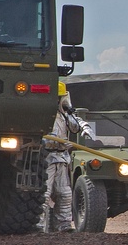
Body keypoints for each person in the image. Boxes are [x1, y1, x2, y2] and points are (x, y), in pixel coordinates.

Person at [40, 81, 94, 233]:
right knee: (43, 194)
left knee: (64, 193)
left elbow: (76, 123)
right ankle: (38, 226)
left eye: (59, 98)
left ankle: (63, 225)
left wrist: (85, 128)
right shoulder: (39, 114)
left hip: (62, 158)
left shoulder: (64, 115)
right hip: (45, 159)